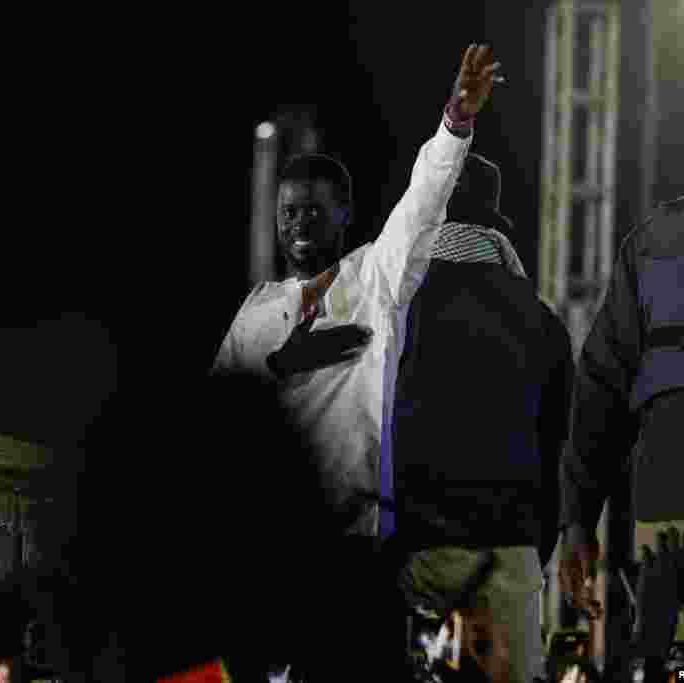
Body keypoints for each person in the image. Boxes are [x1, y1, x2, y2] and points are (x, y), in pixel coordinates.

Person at [211, 44, 501, 548]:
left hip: (352, 537)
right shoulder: (256, 308)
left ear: (344, 213)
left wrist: (455, 124)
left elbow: (423, 201)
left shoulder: (375, 277)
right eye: (289, 213)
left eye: (314, 210)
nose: (299, 224)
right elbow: (213, 410)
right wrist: (280, 365)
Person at [393, 153, 574, 683]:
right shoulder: (541, 322)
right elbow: (557, 448)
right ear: (493, 225)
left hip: (415, 549)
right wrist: (531, 547)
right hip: (508, 545)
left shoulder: (395, 306)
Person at [558, 42, 684, 627]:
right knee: (682, 664)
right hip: (671, 519)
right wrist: (577, 519)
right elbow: (600, 389)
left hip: (673, 512)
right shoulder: (651, 247)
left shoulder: (652, 246)